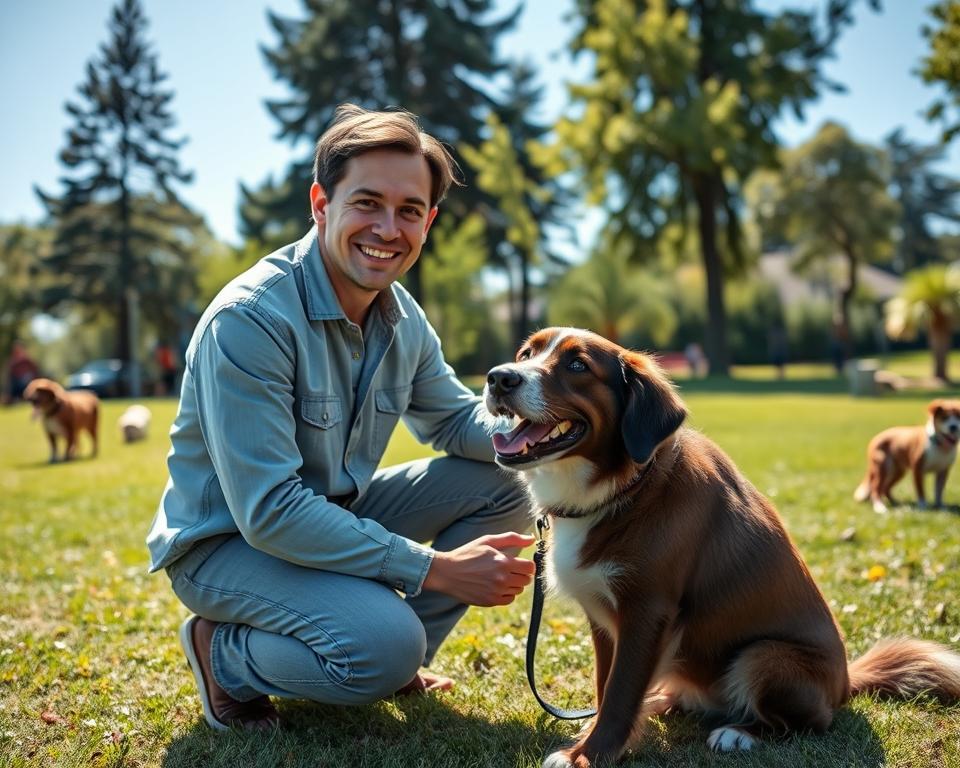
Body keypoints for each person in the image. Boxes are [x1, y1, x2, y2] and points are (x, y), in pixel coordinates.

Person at [145, 105, 535, 731]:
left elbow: (458, 424)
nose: (388, 228)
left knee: (509, 477)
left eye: (409, 210)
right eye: (366, 203)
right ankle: (225, 656)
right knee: (382, 646)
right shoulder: (249, 320)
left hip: (333, 518)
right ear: (321, 203)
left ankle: (393, 649)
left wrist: (550, 431)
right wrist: (435, 568)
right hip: (228, 546)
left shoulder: (400, 314)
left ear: (428, 221)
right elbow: (270, 509)